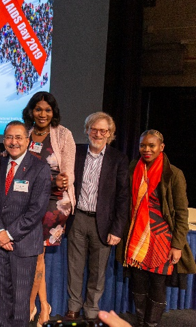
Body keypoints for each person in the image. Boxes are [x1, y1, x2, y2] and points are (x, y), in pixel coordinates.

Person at [118, 130, 196, 327]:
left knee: (157, 284)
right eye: (143, 145)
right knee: (138, 283)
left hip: (162, 238)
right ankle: (142, 321)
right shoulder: (134, 168)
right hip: (137, 236)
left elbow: (181, 212)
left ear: (161, 147)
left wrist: (177, 245)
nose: (146, 149)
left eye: (151, 146)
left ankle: (151, 324)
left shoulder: (173, 174)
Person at [65, 112, 129, 320]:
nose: (98, 134)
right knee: (74, 268)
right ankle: (73, 308)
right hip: (78, 218)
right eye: (94, 129)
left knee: (98, 271)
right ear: (87, 130)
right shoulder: (76, 152)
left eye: (103, 131)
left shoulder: (118, 159)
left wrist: (117, 230)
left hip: (104, 223)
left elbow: (123, 197)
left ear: (110, 134)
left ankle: (91, 310)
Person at [22, 92, 76, 326]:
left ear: (53, 112)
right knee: (37, 256)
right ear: (31, 111)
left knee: (37, 255)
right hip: (27, 200)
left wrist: (59, 182)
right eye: (38, 109)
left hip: (54, 203)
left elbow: (69, 173)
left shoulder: (63, 135)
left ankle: (31, 308)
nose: (42, 114)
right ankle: (43, 306)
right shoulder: (23, 133)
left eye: (47, 110)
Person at [0, 121, 51, 327]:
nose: (13, 142)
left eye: (18, 137)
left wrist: (10, 234)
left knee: (21, 301)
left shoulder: (40, 168)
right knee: (1, 297)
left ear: (27, 140)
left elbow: (37, 210)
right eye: (9, 137)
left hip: (24, 243)